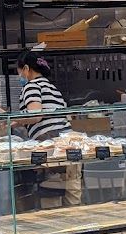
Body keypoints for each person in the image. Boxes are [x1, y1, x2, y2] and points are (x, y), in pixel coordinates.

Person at [12, 50, 81, 208]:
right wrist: (18, 122)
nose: (20, 77)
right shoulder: (52, 87)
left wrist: (12, 117)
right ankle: (78, 230)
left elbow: (36, 114)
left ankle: (57, 232)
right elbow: (49, 114)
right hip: (71, 143)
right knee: (73, 196)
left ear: (27, 69)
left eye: (19, 72)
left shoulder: (31, 85)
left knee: (52, 196)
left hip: (51, 144)